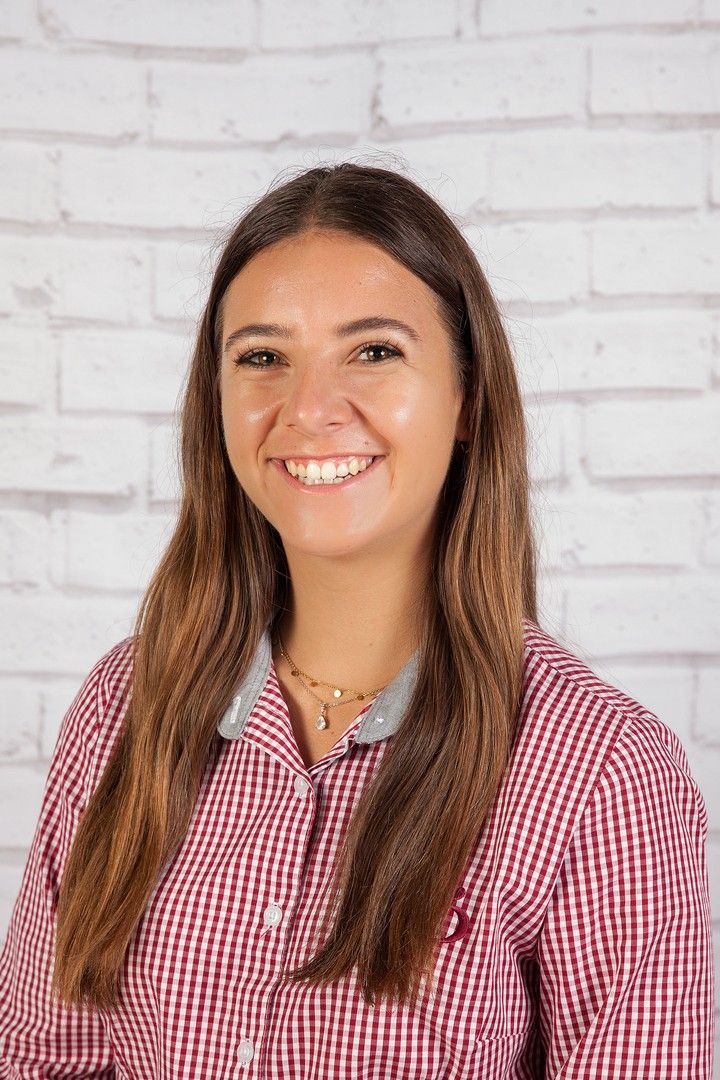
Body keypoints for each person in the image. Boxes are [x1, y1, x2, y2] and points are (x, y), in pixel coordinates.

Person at [0, 162, 713, 1079]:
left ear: (467, 399)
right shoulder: (123, 704)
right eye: (262, 357)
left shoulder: (599, 772)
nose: (308, 410)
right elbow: (42, 1058)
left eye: (373, 351)